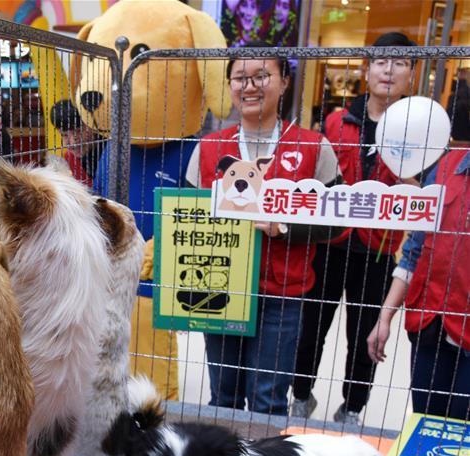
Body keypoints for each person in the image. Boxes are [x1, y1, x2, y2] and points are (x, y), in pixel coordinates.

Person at [185, 44, 341, 416]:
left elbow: (337, 222)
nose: (249, 85)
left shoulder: (313, 148)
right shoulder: (209, 149)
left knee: (268, 401)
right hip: (220, 289)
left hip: (282, 294)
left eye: (262, 75)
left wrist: (283, 226)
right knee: (222, 398)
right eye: (240, 77)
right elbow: (188, 218)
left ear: (284, 82)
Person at [292, 32, 417, 425]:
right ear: (367, 69)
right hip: (330, 242)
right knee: (311, 326)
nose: (388, 70)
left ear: (411, 74)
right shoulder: (336, 119)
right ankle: (300, 395)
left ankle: (353, 407)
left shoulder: (418, 128)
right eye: (381, 61)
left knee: (365, 335)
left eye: (399, 63)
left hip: (379, 248)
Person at [367, 148, 469, 421]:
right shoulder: (448, 165)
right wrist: (384, 317)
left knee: (462, 432)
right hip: (431, 321)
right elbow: (414, 250)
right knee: (425, 422)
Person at [50, 99, 103, 185]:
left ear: (92, 126)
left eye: (78, 131)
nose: (73, 142)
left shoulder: (110, 150)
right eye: (64, 135)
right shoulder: (69, 159)